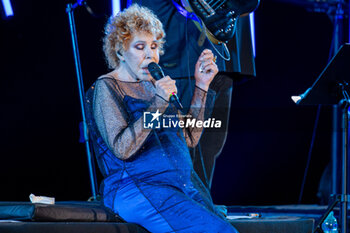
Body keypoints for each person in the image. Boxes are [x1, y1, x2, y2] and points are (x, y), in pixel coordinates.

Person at [86, 4, 238, 233]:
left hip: (178, 189)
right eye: (140, 47)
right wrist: (158, 104)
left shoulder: (155, 87)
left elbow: (190, 137)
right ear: (119, 51)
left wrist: (201, 87)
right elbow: (123, 148)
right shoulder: (107, 86)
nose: (150, 55)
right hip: (137, 188)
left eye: (154, 46)